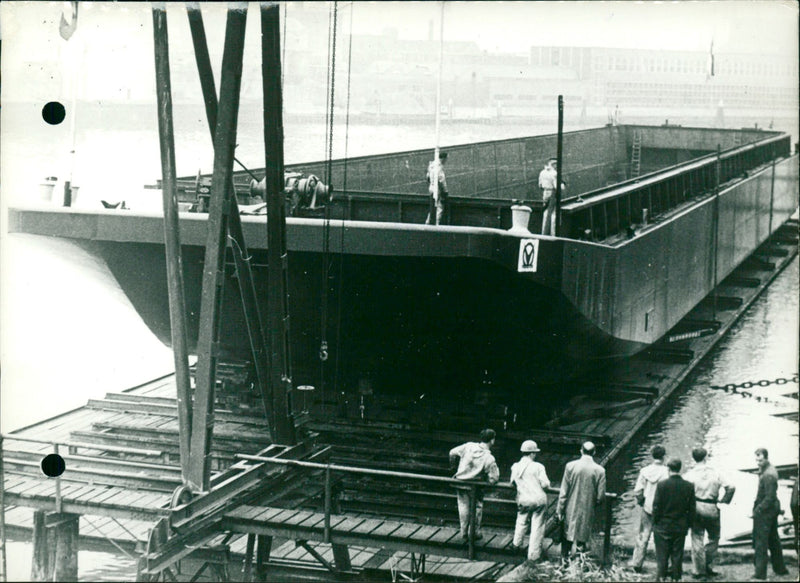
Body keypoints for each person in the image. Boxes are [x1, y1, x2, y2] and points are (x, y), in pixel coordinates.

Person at [683, 447, 735, 578]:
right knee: (714, 537)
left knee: (697, 538)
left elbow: (683, 493)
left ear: (694, 458)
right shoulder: (716, 472)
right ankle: (707, 563)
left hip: (696, 507)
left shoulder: (689, 475)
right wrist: (723, 502)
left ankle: (698, 570)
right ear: (705, 457)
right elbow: (731, 487)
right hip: (712, 506)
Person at [557, 441, 606, 560]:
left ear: (581, 450)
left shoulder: (570, 466)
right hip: (587, 508)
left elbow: (564, 492)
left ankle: (565, 561)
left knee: (568, 534)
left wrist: (560, 510)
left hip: (570, 507)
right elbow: (601, 496)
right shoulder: (600, 470)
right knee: (583, 535)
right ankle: (581, 561)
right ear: (594, 452)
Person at [449, 428, 500, 542]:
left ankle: (464, 532)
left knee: (463, 507)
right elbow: (494, 478)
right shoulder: (489, 458)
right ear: (492, 440)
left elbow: (452, 452)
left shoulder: (468, 446)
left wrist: (453, 466)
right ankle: (474, 532)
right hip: (476, 486)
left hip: (460, 482)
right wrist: (486, 481)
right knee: (477, 508)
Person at [652, 457, 695, 582]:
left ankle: (661, 578)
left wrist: (655, 523)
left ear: (668, 469)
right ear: (680, 468)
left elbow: (656, 506)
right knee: (677, 556)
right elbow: (692, 508)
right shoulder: (689, 486)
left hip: (663, 526)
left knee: (662, 556)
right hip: (679, 526)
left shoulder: (662, 485)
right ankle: (676, 578)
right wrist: (688, 525)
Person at [629, 445, 669, 573]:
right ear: (663, 456)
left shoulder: (645, 471)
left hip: (648, 507)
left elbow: (638, 491)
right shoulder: (667, 471)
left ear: (652, 455)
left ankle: (637, 563)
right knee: (663, 537)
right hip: (663, 509)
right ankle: (662, 566)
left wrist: (642, 502)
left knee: (643, 536)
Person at [510, 440, 551, 561]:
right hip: (538, 500)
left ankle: (516, 544)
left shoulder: (515, 466)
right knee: (537, 526)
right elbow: (545, 484)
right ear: (532, 453)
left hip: (523, 499)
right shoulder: (538, 467)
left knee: (521, 521)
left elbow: (512, 483)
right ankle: (533, 555)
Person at [752, 448, 788, 579]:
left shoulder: (768, 474)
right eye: (756, 458)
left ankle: (760, 574)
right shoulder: (768, 469)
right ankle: (780, 568)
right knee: (773, 540)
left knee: (761, 542)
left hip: (766, 511)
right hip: (772, 509)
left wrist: (758, 510)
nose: (757, 461)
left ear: (766, 457)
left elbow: (769, 497)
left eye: (760, 459)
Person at [538, 157, 564, 236]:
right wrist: (562, 185)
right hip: (553, 193)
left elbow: (540, 185)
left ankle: (544, 234)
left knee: (545, 214)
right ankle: (553, 234)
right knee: (554, 215)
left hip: (545, 193)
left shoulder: (542, 172)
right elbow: (558, 187)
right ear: (554, 165)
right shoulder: (554, 173)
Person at [425, 151, 449, 226]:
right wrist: (445, 192)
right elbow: (441, 180)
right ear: (443, 158)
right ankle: (437, 225)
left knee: (432, 208)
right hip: (437, 190)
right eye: (446, 159)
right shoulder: (439, 167)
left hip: (431, 188)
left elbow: (428, 177)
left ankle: (427, 223)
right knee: (439, 208)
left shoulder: (431, 165)